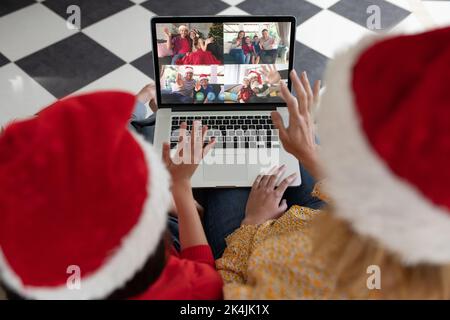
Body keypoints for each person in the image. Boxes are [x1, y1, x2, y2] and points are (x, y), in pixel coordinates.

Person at [216, 26, 450, 299]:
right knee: (285, 153)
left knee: (226, 176)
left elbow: (226, 292)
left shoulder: (285, 268)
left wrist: (252, 224)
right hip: (317, 217)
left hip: (258, 239)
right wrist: (309, 153)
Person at [0, 90, 223, 300]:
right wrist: (180, 188)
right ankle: (146, 110)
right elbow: (207, 277)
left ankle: (144, 105)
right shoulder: (180, 286)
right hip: (175, 239)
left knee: (138, 130)